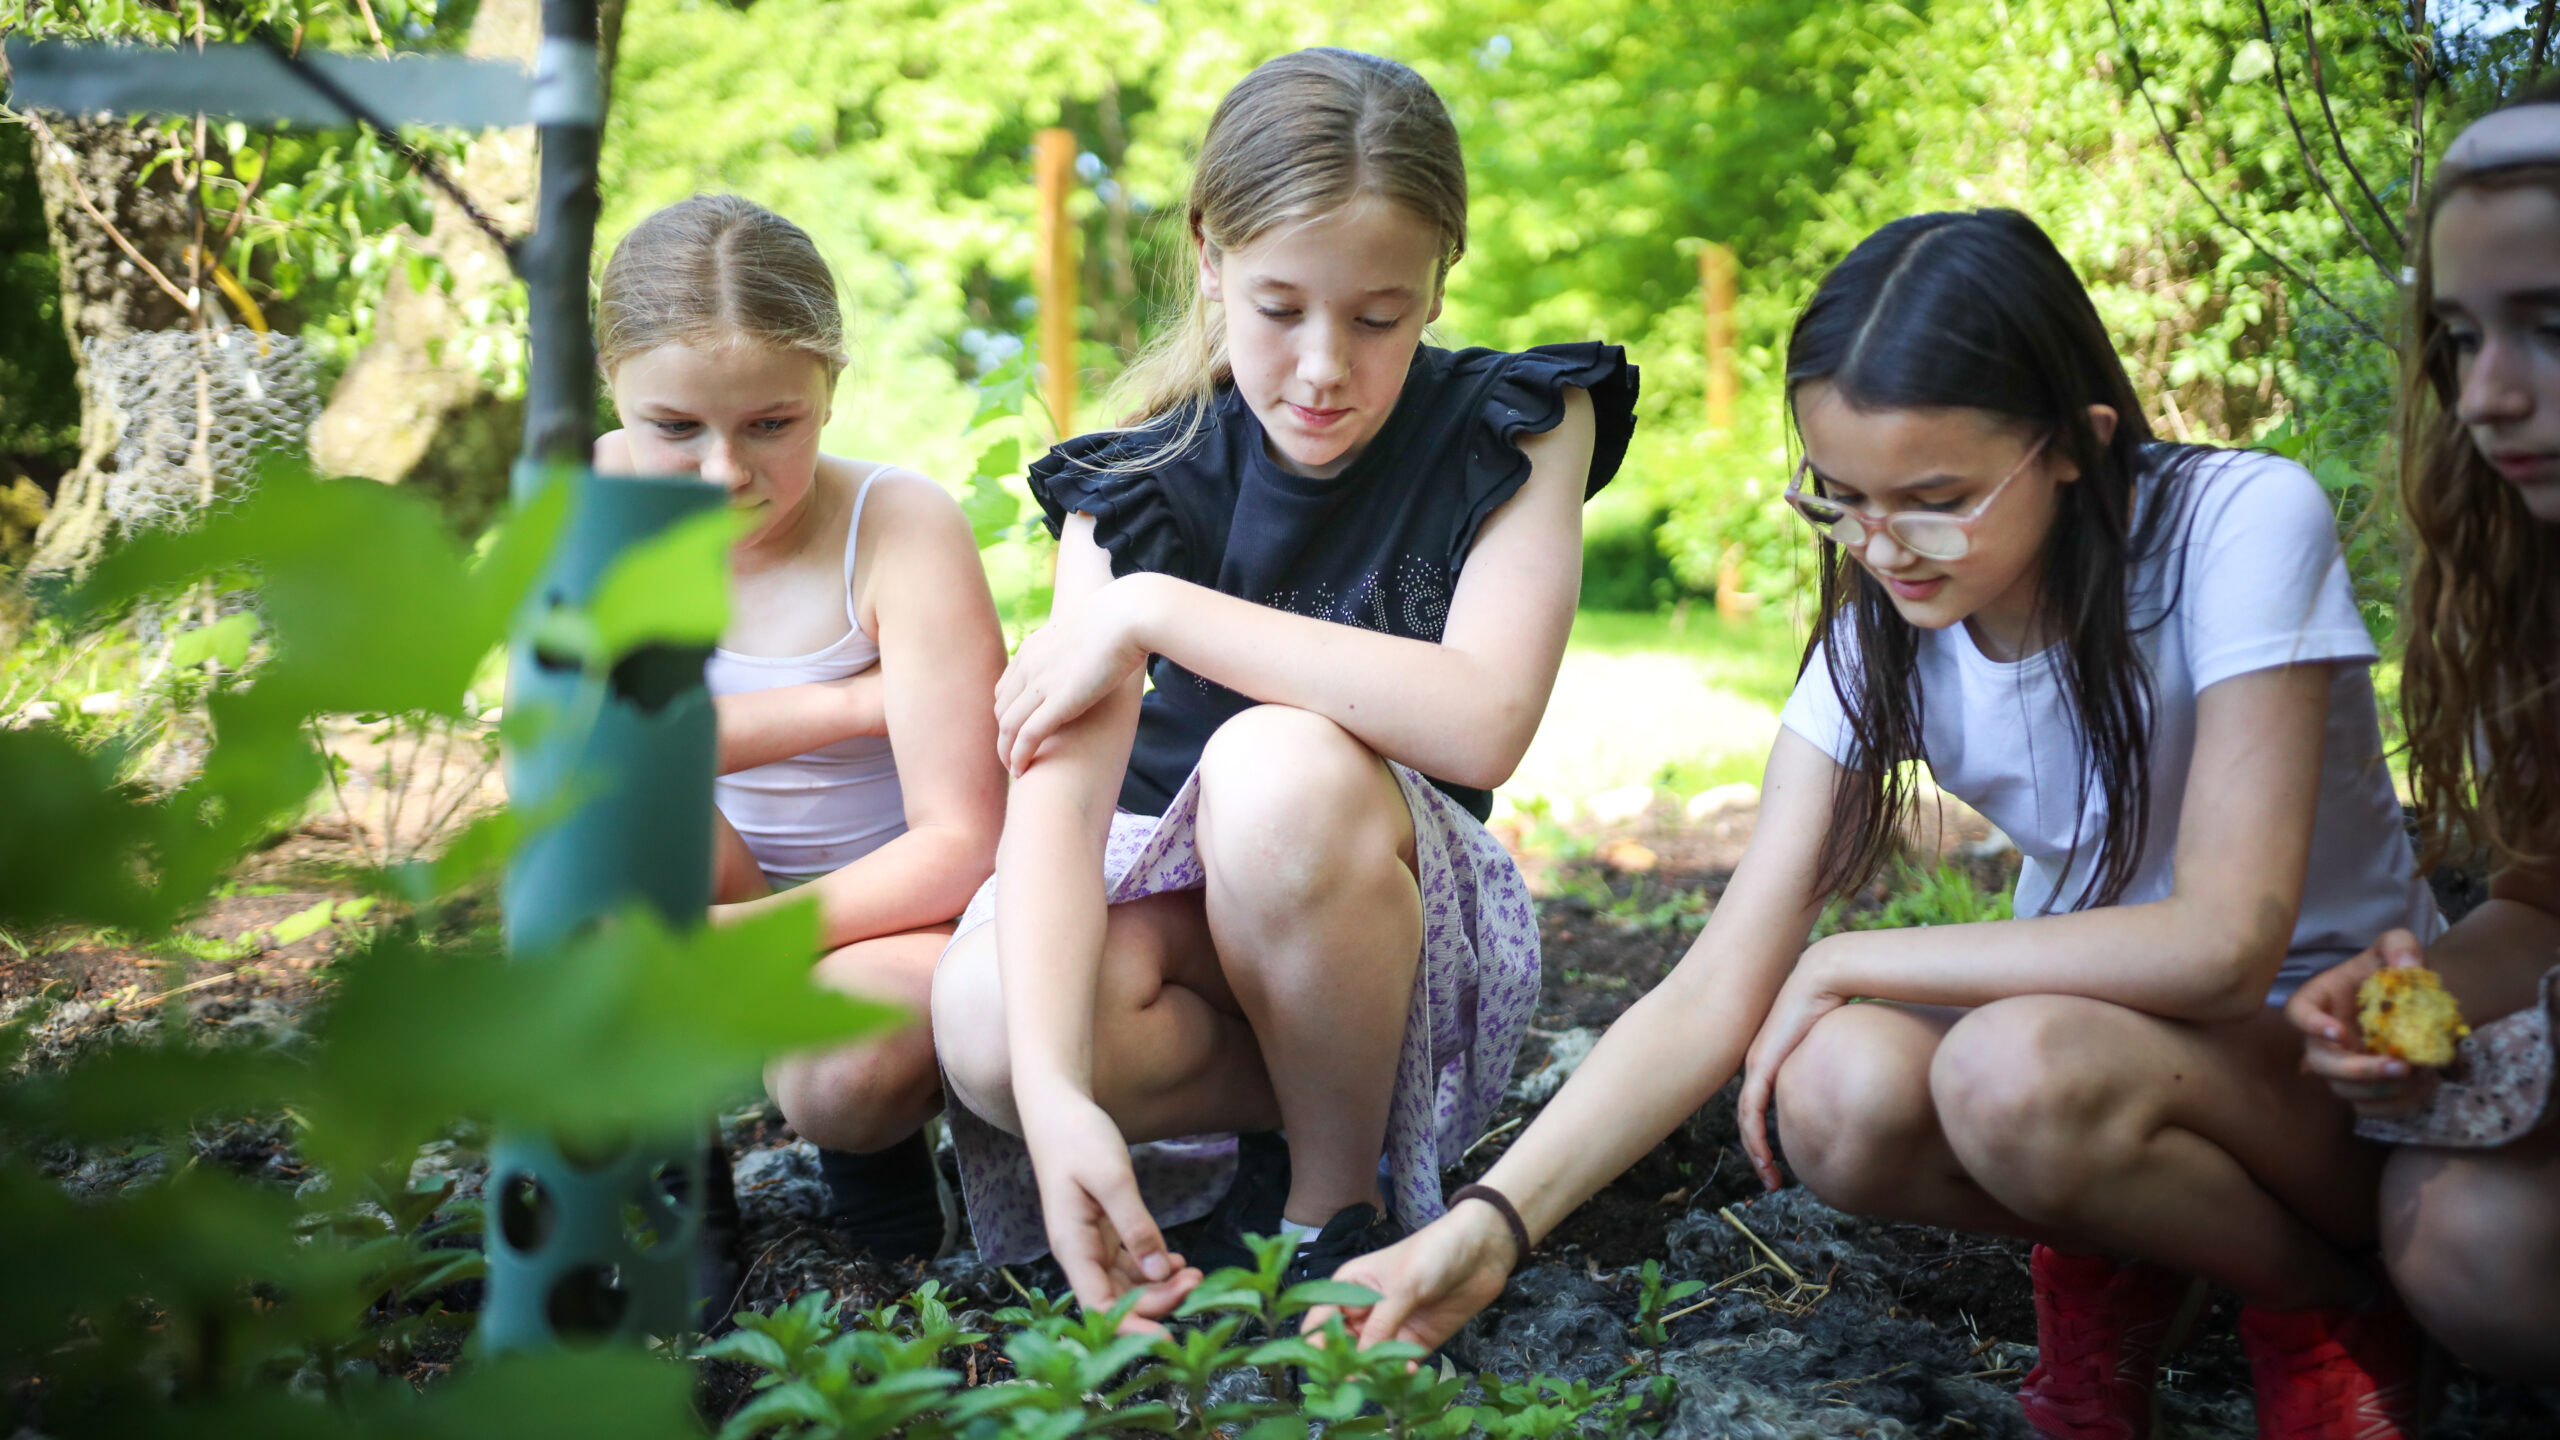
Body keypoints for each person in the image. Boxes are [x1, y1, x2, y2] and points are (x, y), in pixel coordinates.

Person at [1312, 209, 2441, 1438]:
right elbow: (1709, 991)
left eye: (1936, 499)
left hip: (2333, 1061)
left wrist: (1850, 957)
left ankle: (2324, 1303)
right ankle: (2144, 1254)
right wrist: (1485, 1230)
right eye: (1841, 500)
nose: (1885, 548)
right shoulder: (1883, 630)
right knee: (1836, 1093)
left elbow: (2223, 944)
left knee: (2013, 1069)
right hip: (2097, 1057)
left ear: (2076, 444)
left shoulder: (2234, 525)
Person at [925, 47, 1639, 1325]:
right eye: (1278, 309)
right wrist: (1057, 1102)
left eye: (1377, 317)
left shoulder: (1516, 419)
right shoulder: (1137, 482)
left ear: (1437, 281)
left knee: (1275, 766)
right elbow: (1060, 809)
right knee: (987, 1024)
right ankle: (1247, 1134)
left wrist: (1158, 613)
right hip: (1179, 934)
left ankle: (1330, 1204)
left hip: (1391, 922)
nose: (1322, 368)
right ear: (1208, 252)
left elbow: (1483, 717)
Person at [594, 195, 1008, 1260]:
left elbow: (965, 845)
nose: (722, 472)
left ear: (829, 387)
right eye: (674, 427)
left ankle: (878, 1182)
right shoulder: (604, 495)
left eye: (770, 425)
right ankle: (688, 1199)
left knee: (842, 1071)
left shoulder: (897, 529)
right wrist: (852, 704)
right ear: (614, 391)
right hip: (713, 877)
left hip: (895, 911)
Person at [2285, 85, 2560, 1383]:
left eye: (2553, 329)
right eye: (2459, 336)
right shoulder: (2533, 601)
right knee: (2463, 1231)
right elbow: (2544, 907)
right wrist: (2420, 1006)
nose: (2489, 396)